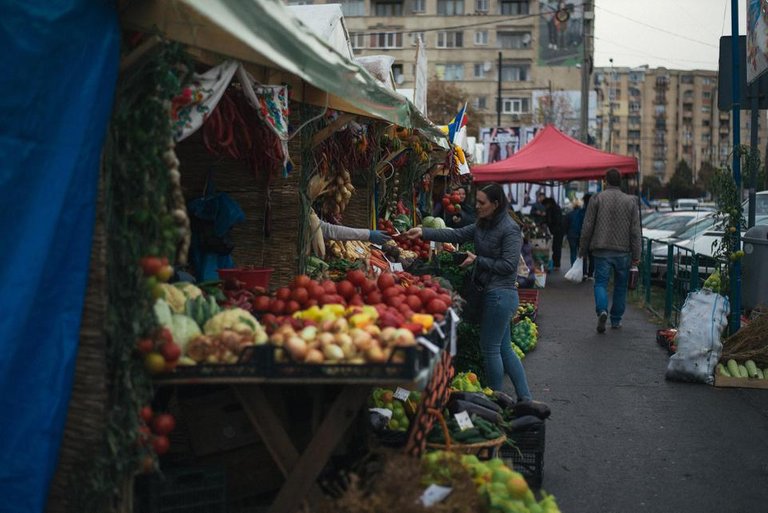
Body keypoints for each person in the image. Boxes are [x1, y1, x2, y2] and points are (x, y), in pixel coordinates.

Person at [404, 183, 532, 400]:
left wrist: (478, 260)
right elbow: (457, 234)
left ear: (496, 204)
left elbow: (509, 266)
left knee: (490, 348)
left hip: (501, 294)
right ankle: (525, 399)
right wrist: (424, 232)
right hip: (490, 291)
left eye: (482, 203)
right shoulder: (483, 224)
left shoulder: (510, 229)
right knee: (504, 348)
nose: (477, 206)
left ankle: (496, 399)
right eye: (477, 201)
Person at [578, 169, 641, 333]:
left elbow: (587, 226)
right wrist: (636, 255)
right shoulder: (631, 201)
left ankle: (602, 310)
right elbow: (635, 230)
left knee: (600, 283)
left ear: (605, 181)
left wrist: (582, 250)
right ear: (621, 182)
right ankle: (616, 320)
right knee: (620, 286)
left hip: (601, 249)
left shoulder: (597, 198)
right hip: (623, 252)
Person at [543, 197, 563, 270]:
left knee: (556, 248)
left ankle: (556, 264)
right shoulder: (553, 208)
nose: (545, 207)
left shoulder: (554, 209)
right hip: (556, 231)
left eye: (545, 205)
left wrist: (553, 229)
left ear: (548, 204)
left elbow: (554, 221)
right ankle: (556, 264)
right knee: (556, 248)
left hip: (558, 231)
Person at [564, 198, 585, 266]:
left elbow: (566, 225)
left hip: (571, 235)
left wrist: (567, 233)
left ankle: (573, 267)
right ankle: (580, 268)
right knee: (581, 253)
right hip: (581, 235)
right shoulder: (583, 214)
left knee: (573, 252)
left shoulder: (569, 214)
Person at [581, 193, 594, 278]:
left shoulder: (583, 211)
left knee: (584, 255)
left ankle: (584, 273)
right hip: (593, 236)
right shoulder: (594, 210)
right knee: (592, 256)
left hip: (585, 235)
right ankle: (590, 273)